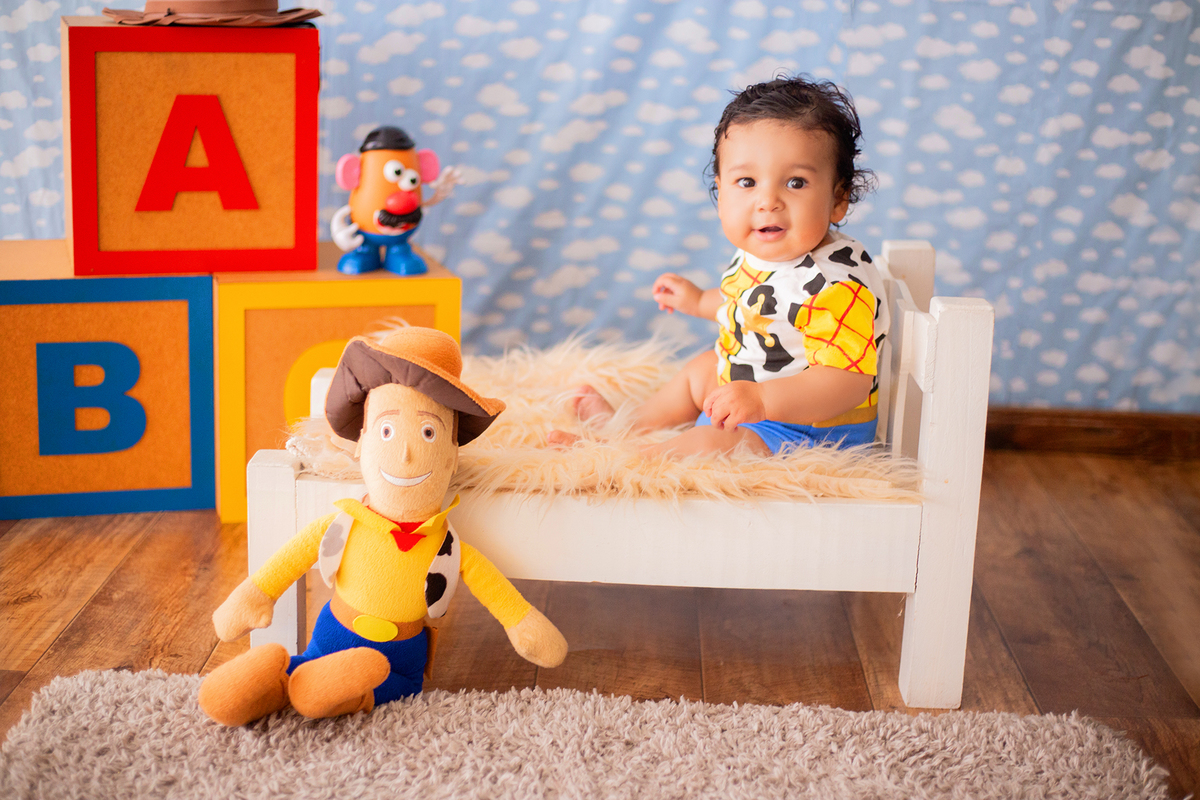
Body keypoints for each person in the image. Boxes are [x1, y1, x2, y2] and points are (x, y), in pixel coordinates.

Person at [549, 76, 889, 457]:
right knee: (701, 369)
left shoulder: (835, 287)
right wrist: (696, 301)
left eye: (796, 182)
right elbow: (750, 304)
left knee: (712, 443)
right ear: (720, 194)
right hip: (756, 394)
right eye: (747, 181)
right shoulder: (765, 251)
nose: (767, 201)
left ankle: (623, 459)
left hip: (810, 429)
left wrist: (762, 398)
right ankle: (626, 428)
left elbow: (845, 383)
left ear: (839, 197)